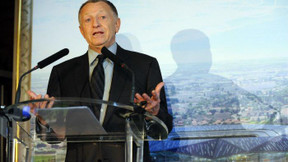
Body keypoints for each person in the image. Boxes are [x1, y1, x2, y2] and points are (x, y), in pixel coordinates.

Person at [28, 0, 173, 161]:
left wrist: (153, 114)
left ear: (117, 24)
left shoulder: (144, 66)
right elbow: (52, 137)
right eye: (88, 20)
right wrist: (44, 120)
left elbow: (164, 128)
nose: (95, 24)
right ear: (82, 31)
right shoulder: (63, 72)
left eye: (102, 17)